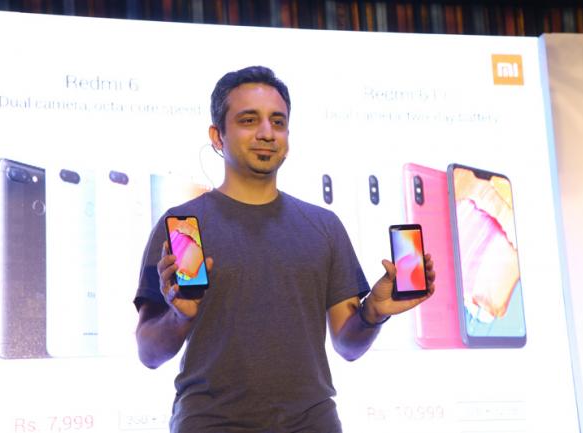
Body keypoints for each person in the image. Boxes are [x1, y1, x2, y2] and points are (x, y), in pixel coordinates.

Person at [134, 65, 435, 433]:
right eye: (248, 120)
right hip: (211, 424)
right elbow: (148, 354)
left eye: (278, 122)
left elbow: (348, 346)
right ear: (217, 136)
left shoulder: (323, 226)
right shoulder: (182, 226)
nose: (266, 133)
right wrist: (179, 317)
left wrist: (373, 311)